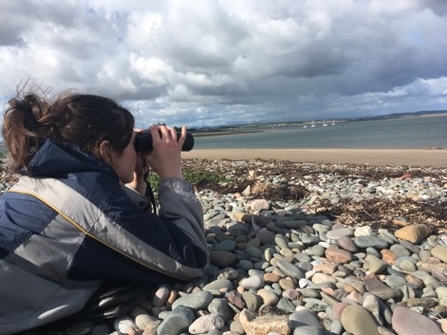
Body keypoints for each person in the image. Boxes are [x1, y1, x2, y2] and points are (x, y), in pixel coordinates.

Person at [0, 85, 210, 334]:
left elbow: (113, 228)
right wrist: (172, 175)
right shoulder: (94, 208)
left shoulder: (38, 179)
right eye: (133, 143)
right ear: (105, 150)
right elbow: (191, 258)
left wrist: (135, 181)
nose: (137, 149)